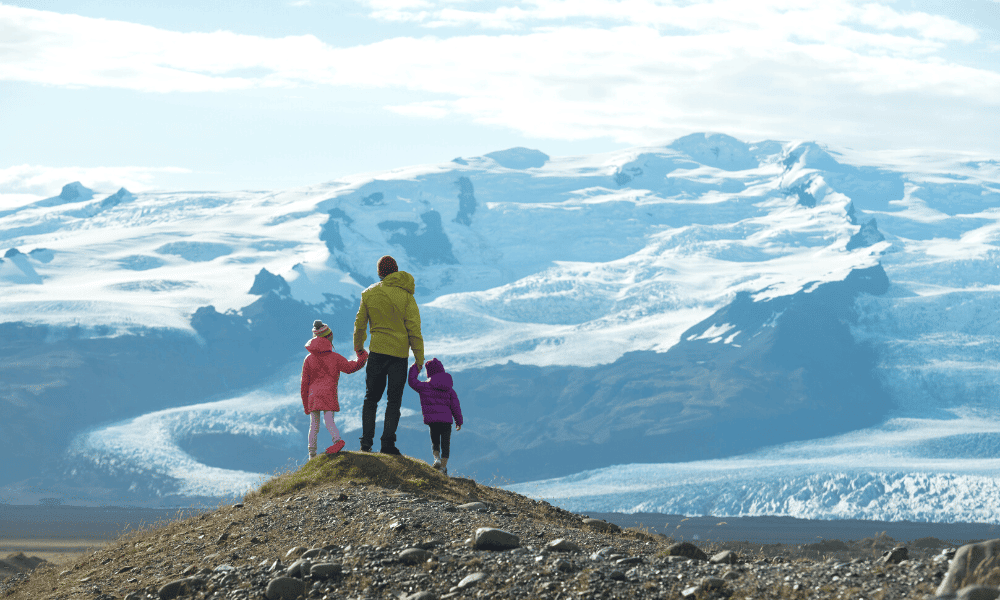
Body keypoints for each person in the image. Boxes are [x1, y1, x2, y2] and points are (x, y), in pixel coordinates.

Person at [354, 255, 425, 454]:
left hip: (377, 352)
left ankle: (366, 443)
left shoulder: (369, 294)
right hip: (399, 356)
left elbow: (360, 324)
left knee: (371, 399)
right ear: (396, 271)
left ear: (379, 273)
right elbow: (414, 330)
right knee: (393, 402)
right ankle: (388, 444)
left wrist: (358, 347)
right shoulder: (406, 296)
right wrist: (419, 358)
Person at [301, 320, 368, 459]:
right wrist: (362, 357)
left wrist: (305, 404)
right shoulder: (334, 357)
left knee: (314, 425)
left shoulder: (308, 359)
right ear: (329, 338)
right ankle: (337, 440)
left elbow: (304, 384)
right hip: (328, 394)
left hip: (313, 396)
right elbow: (350, 367)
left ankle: (311, 455)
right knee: (329, 419)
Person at [408, 357, 463, 475]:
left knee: (435, 441)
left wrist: (416, 367)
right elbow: (455, 407)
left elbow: (412, 381)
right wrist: (459, 421)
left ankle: (436, 458)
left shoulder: (425, 386)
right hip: (446, 421)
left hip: (433, 421)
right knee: (445, 444)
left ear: (429, 372)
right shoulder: (450, 390)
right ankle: (443, 467)